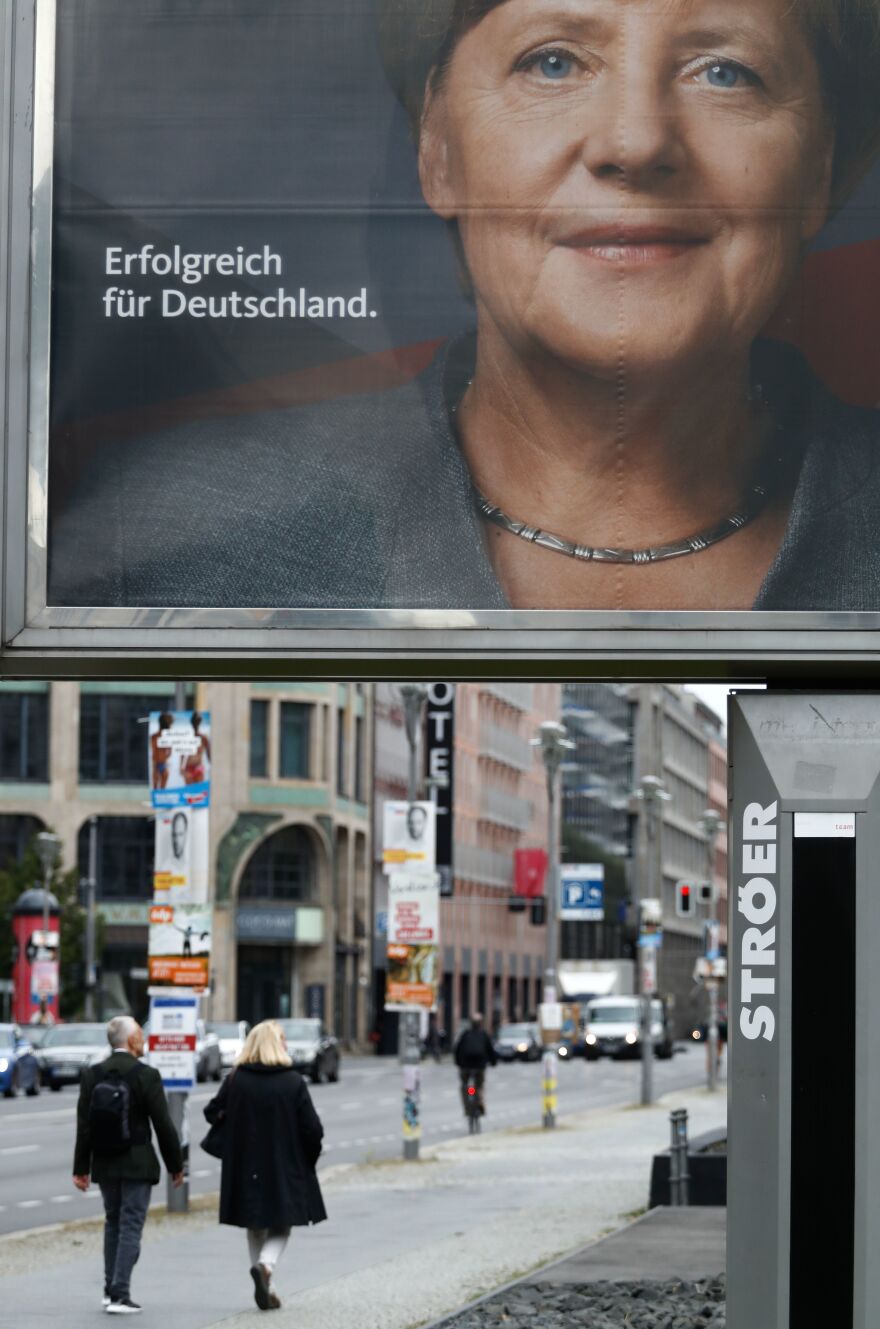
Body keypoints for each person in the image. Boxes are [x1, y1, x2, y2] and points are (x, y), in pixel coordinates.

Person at [48, 0, 880, 613]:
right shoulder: (165, 536)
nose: (636, 142)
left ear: (822, 174)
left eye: (725, 72)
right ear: (437, 153)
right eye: (552, 62)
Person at [203, 1019, 326, 1312]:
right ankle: (266, 1266)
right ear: (275, 1044)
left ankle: (265, 1283)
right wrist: (308, 1157)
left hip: (244, 1163)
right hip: (284, 1163)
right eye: (282, 1040)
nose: (285, 1045)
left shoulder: (236, 1079)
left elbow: (211, 1112)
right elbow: (313, 1129)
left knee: (254, 1222)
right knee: (282, 1224)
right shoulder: (292, 1081)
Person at [72, 1016, 184, 1315]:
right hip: (137, 1163)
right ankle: (121, 1294)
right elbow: (163, 1124)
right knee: (131, 1225)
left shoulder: (92, 1075)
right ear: (131, 1040)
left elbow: (84, 1126)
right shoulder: (145, 1075)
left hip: (105, 1162)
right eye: (139, 1032)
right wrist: (176, 1164)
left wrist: (81, 1168)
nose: (143, 1037)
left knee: (114, 1223)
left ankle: (110, 1290)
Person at [454, 1012, 497, 1116]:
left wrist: (458, 1063)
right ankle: (479, 1102)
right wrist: (493, 1062)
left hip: (466, 1066)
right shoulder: (484, 1035)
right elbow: (490, 1050)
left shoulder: (465, 1034)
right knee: (479, 1086)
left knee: (465, 1087)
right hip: (479, 1066)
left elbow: (457, 1050)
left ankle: (468, 1107)